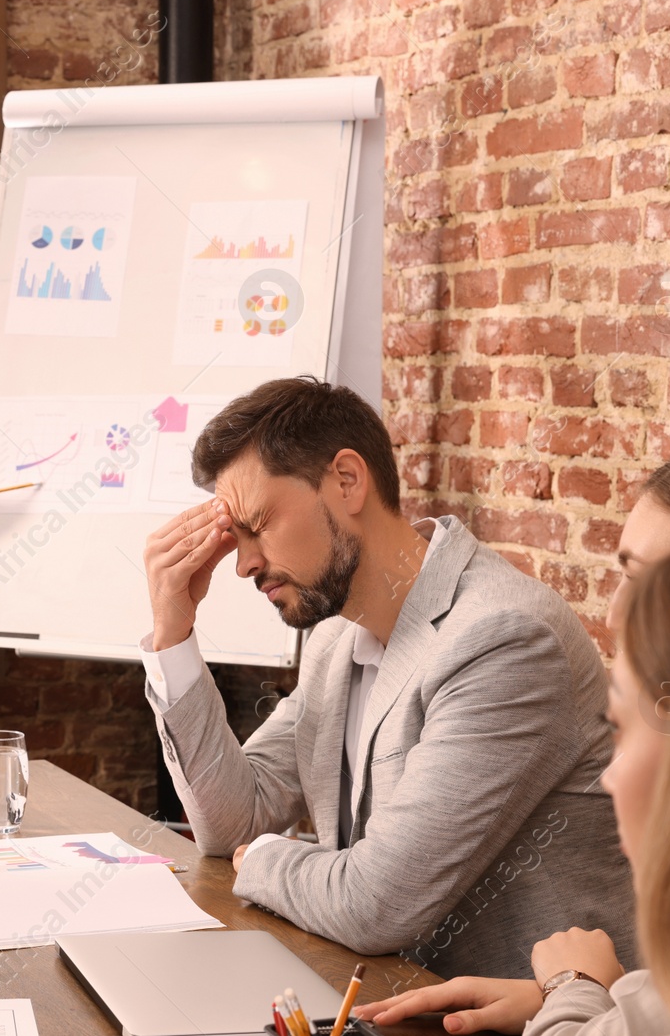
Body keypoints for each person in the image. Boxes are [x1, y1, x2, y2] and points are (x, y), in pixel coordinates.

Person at [355, 435, 670, 1033]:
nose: (618, 612)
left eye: (655, 584)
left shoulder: (504, 638)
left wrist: (577, 996)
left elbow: (376, 903)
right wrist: (588, 1002)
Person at [140, 376, 634, 980]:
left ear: (346, 481)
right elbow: (233, 823)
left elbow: (377, 904)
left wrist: (267, 858)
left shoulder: (503, 638)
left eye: (257, 525)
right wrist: (173, 632)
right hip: (373, 999)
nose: (243, 564)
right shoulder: (335, 639)